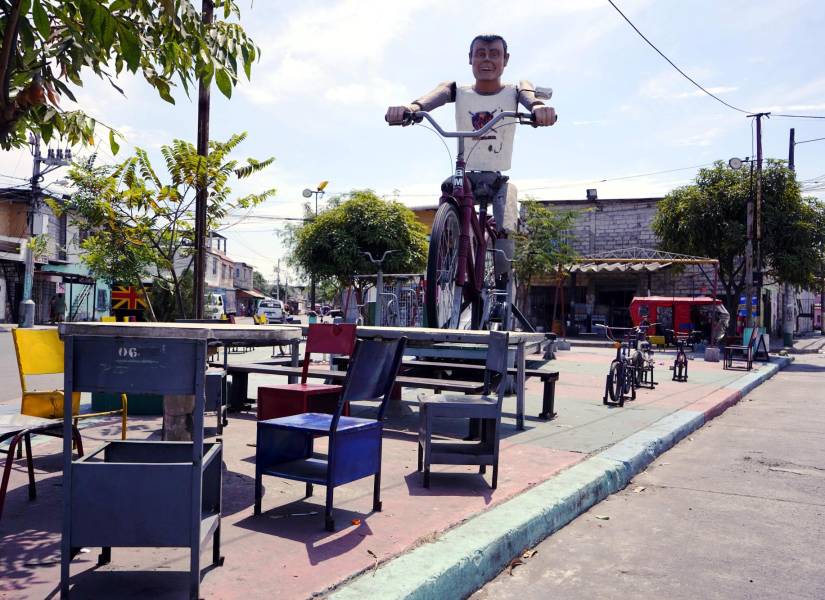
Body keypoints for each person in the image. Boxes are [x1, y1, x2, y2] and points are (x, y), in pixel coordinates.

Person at [386, 33, 557, 286]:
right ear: (470, 58)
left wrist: (538, 108)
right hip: (464, 173)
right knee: (448, 191)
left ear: (505, 59)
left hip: (496, 179)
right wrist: (411, 109)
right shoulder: (457, 90)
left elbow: (529, 95)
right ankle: (447, 258)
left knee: (506, 217)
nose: (487, 60)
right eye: (480, 54)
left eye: (494, 54)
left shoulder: (515, 89)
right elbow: (438, 93)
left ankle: (502, 282)